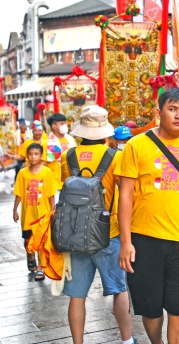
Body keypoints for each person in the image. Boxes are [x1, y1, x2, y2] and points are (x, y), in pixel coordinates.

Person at [118, 88, 179, 344]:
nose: (178, 116)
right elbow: (125, 196)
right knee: (150, 309)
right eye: (172, 109)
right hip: (144, 239)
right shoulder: (136, 145)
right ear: (158, 112)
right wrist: (126, 242)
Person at [58, 106, 133, 343]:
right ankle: (127, 340)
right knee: (119, 289)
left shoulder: (68, 156)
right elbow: (126, 194)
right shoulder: (115, 156)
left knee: (77, 295)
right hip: (108, 232)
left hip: (75, 233)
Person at [13, 143, 56, 281]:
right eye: (30, 154)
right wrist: (15, 209)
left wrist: (52, 211)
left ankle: (40, 268)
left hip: (43, 214)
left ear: (41, 155)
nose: (33, 157)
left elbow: (51, 195)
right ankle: (30, 256)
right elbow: (19, 193)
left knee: (41, 242)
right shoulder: (22, 173)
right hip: (27, 215)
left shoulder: (47, 172)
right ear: (27, 155)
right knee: (28, 240)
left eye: (36, 154)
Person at [46, 113, 76, 188]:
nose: (65, 125)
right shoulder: (47, 142)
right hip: (55, 181)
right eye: (62, 124)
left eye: (65, 123)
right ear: (54, 126)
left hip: (71, 179)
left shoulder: (71, 139)